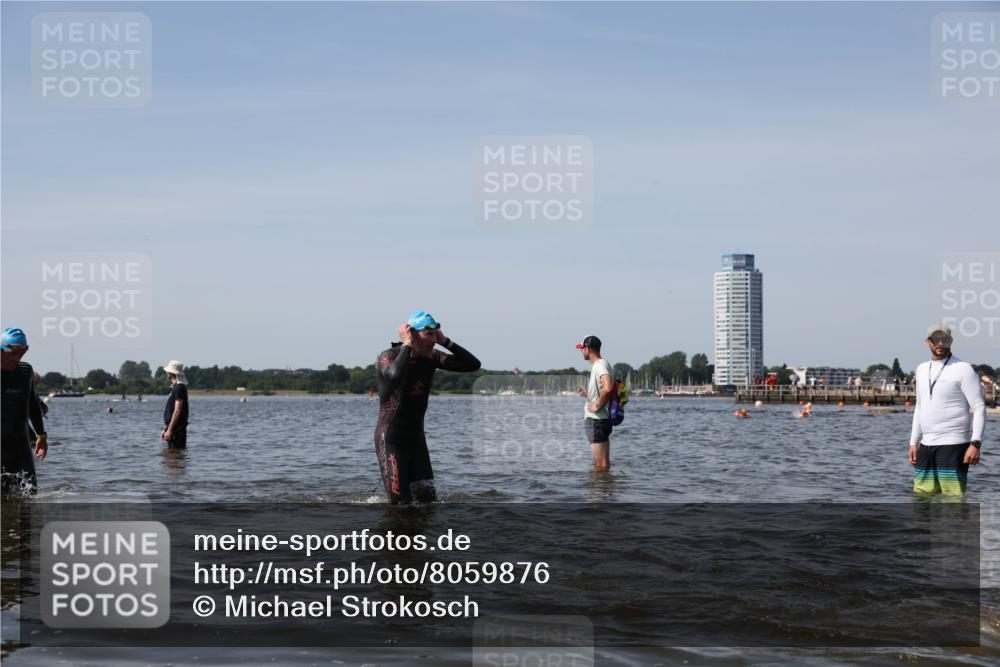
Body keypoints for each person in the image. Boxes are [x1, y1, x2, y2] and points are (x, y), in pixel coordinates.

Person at [374, 311, 480, 504]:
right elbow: (395, 376)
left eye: (435, 334)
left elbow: (472, 365)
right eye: (428, 334)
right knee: (400, 507)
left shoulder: (432, 357)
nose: (433, 340)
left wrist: (446, 342)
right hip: (391, 441)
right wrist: (406, 344)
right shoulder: (388, 357)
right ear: (412, 334)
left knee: (428, 504)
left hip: (416, 442)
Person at [908, 323, 985, 496]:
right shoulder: (921, 369)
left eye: (945, 339)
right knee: (921, 498)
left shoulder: (963, 369)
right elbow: (919, 407)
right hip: (926, 445)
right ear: (927, 342)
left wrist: (975, 444)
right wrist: (914, 442)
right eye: (935, 339)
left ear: (951, 341)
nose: (940, 344)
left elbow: (979, 408)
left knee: (952, 500)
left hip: (954, 444)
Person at [1, 328, 48, 498]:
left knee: (31, 496)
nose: (17, 358)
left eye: (22, 352)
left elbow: (33, 406)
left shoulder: (25, 372)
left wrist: (41, 436)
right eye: (13, 353)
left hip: (21, 447)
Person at [576, 335, 613, 469]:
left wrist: (597, 404)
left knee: (600, 464)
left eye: (582, 348)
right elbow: (604, 390)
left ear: (588, 348)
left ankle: (598, 489)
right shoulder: (602, 364)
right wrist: (588, 395)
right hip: (601, 419)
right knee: (603, 463)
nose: (581, 351)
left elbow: (608, 388)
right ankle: (605, 488)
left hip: (596, 421)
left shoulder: (600, 365)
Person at [161, 360, 189, 448]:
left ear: (171, 372)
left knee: (174, 458)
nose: (166, 373)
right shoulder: (176, 388)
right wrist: (166, 429)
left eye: (168, 371)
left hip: (176, 430)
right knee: (171, 457)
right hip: (173, 428)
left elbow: (177, 410)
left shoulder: (179, 388)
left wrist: (169, 430)